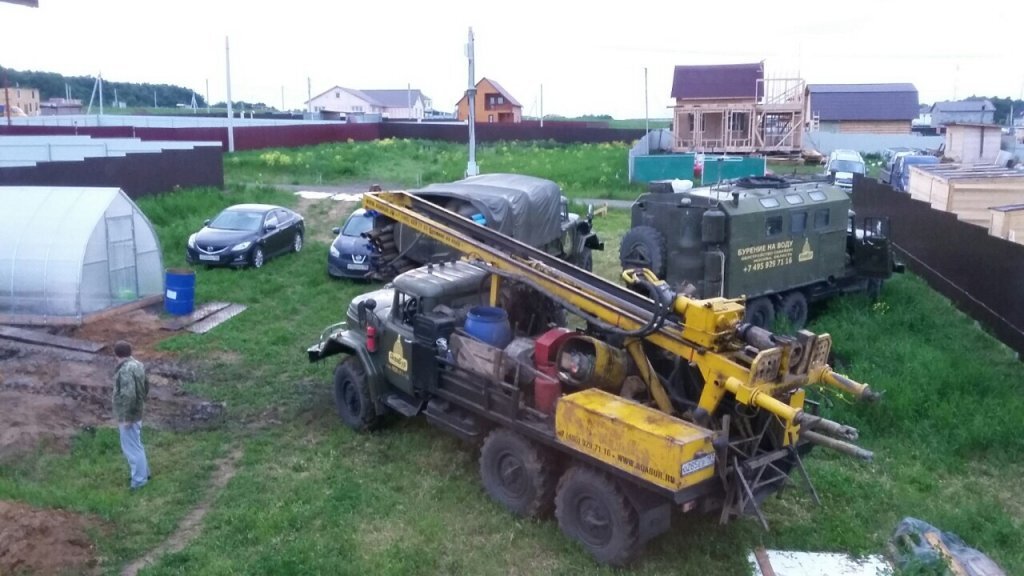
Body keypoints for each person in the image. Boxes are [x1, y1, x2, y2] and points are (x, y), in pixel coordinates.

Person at [112, 340, 149, 491]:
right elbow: (146, 386)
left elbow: (128, 395)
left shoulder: (125, 370)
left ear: (116, 355)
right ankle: (144, 473)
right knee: (137, 445)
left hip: (129, 415)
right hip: (138, 411)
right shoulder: (138, 365)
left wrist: (127, 417)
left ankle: (139, 481)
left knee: (131, 449)